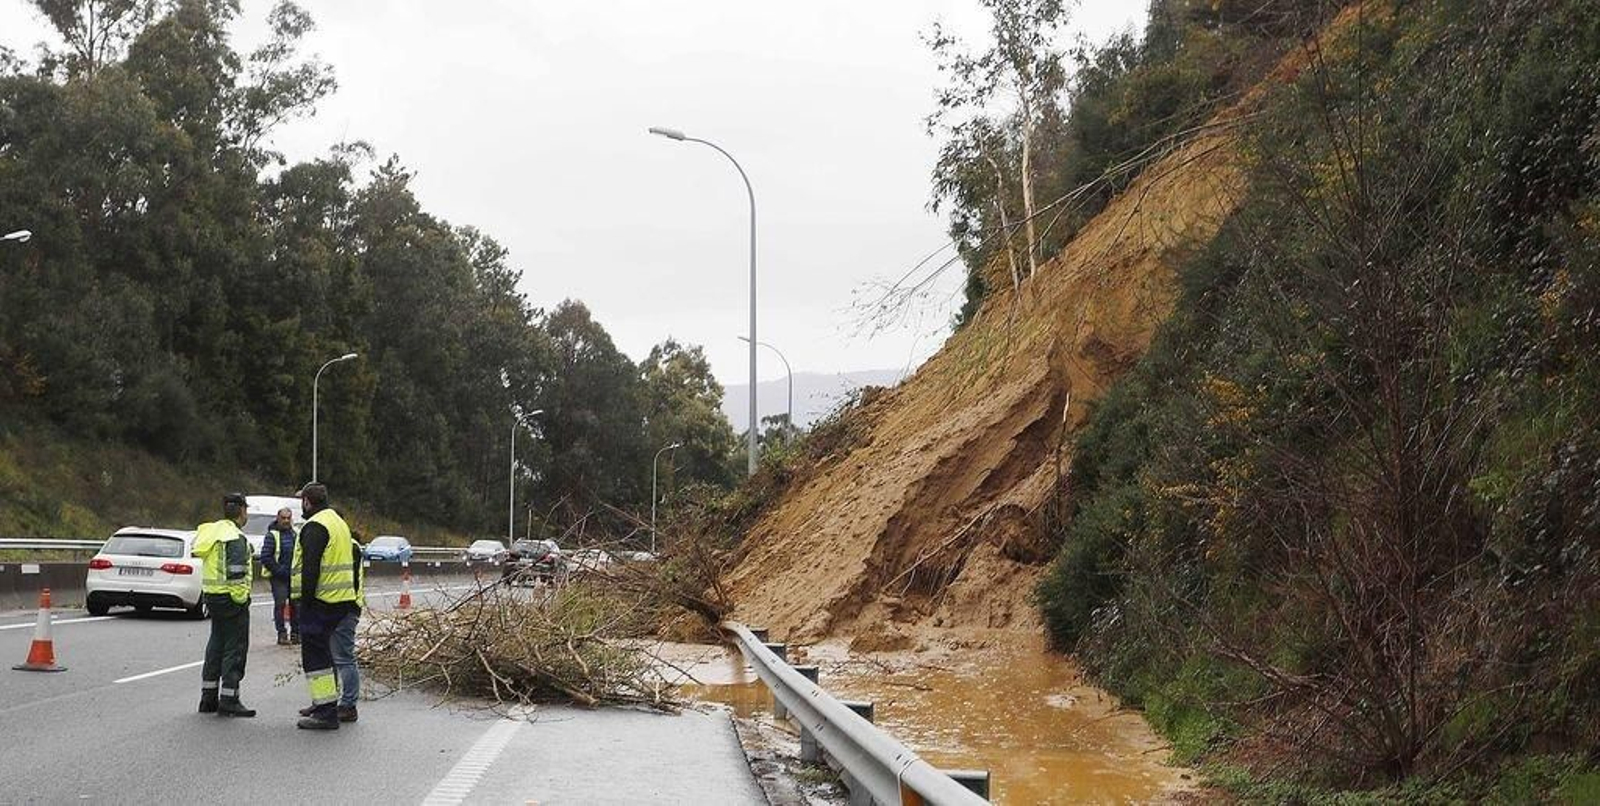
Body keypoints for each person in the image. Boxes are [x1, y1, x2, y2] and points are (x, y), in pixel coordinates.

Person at [291, 483, 363, 729]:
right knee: (327, 656)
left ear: (307, 502)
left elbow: (311, 567)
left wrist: (305, 603)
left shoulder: (316, 526)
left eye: (302, 501)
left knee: (316, 659)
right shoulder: (338, 523)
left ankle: (326, 712)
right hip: (340, 601)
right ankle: (327, 706)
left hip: (321, 602)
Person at [195, 492, 256, 718]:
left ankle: (208, 698)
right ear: (242, 511)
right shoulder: (234, 537)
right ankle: (229, 699)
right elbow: (237, 575)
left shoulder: (213, 532)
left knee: (216, 646)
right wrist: (242, 600)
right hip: (231, 599)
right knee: (235, 649)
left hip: (212, 596)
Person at [259, 508, 300, 645]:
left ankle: (296, 633)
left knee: (296, 606)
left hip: (293, 576)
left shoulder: (295, 534)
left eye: (288, 518)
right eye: (283, 518)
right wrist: (279, 570)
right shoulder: (272, 535)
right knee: (281, 605)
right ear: (278, 518)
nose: (286, 521)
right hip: (278, 577)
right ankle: (281, 633)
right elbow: (266, 557)